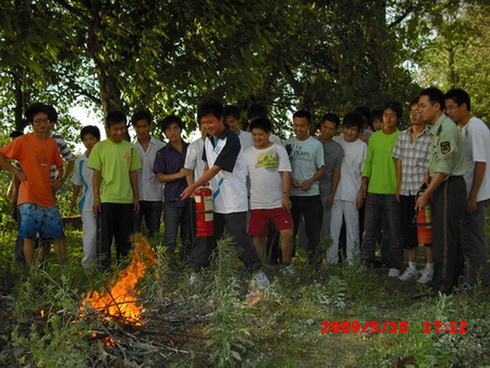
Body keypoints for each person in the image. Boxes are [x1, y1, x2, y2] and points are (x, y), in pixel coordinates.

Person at [181, 98, 269, 289]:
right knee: (206, 236)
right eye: (203, 123)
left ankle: (258, 273)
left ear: (221, 119)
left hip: (233, 199)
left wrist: (193, 186)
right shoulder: (208, 140)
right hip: (213, 199)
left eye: (210, 122)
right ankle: (196, 274)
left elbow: (217, 168)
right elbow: (207, 166)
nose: (207, 126)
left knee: (240, 239)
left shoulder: (232, 139)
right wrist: (202, 189)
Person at [0, 103, 66, 266]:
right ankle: (31, 272)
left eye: (45, 120)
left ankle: (64, 270)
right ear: (31, 123)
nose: (42, 124)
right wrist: (16, 172)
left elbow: (60, 164)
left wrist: (59, 178)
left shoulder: (51, 143)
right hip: (28, 195)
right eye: (38, 121)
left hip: (47, 196)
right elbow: (1, 155)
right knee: (28, 235)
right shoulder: (22, 141)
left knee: (58, 235)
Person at [415, 87, 466, 295]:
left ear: (436, 107)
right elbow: (438, 161)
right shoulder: (438, 127)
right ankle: (448, 282)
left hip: (448, 186)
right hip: (442, 184)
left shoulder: (446, 128)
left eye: (423, 106)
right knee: (445, 234)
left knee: (444, 238)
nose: (420, 111)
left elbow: (444, 168)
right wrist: (428, 172)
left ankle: (442, 287)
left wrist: (426, 194)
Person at [444, 88, 489, 287]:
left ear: (464, 106)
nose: (449, 112)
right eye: (446, 109)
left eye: (451, 107)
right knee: (467, 239)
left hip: (476, 196)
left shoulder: (476, 128)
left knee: (475, 240)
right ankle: (472, 279)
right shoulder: (465, 129)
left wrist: (473, 196)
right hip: (468, 193)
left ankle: (477, 283)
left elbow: (481, 163)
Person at [88, 111, 142, 269]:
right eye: (115, 129)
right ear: (108, 129)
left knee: (125, 241)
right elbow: (96, 175)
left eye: (122, 129)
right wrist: (96, 199)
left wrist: (136, 197)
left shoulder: (130, 148)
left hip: (126, 201)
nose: (119, 132)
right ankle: (103, 274)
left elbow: (133, 173)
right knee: (104, 240)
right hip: (106, 200)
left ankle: (124, 274)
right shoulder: (99, 147)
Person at [244, 118, 295, 273]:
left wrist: (286, 196)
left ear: (269, 134)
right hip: (257, 203)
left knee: (287, 233)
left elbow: (285, 173)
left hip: (278, 202)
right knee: (258, 237)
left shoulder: (278, 150)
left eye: (261, 134)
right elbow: (243, 178)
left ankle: (287, 264)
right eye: (254, 135)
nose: (257, 138)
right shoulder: (247, 154)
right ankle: (258, 268)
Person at [392, 99, 434, 283]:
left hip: (422, 191)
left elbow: (434, 164)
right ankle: (412, 268)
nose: (414, 114)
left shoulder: (432, 136)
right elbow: (399, 162)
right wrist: (398, 186)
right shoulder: (402, 135)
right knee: (407, 232)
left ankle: (430, 268)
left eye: (418, 111)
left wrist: (428, 191)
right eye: (412, 111)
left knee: (426, 231)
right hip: (405, 190)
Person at [360, 101, 403, 277]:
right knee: (369, 229)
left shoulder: (402, 137)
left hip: (393, 191)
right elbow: (368, 161)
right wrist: (364, 179)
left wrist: (400, 188)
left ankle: (394, 264)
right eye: (386, 115)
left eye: (392, 115)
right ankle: (366, 260)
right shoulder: (375, 137)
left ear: (398, 118)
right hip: (374, 190)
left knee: (393, 230)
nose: (388, 118)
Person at [284, 110, 325, 263]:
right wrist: (291, 179)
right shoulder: (287, 144)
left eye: (302, 126)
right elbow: (283, 169)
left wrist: (311, 181)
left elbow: (322, 168)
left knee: (313, 231)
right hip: (292, 195)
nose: (298, 129)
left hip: (312, 195)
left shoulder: (316, 144)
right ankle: (288, 262)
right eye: (295, 125)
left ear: (308, 126)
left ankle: (314, 262)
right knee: (289, 231)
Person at [329, 112, 367, 265]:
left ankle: (353, 263)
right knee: (333, 230)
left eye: (353, 130)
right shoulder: (335, 141)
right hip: (334, 194)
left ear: (359, 131)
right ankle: (330, 261)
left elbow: (365, 173)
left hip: (353, 194)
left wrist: (361, 195)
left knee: (353, 231)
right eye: (346, 128)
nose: (349, 132)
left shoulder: (362, 147)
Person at [153, 115, 192, 256]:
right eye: (169, 130)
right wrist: (178, 175)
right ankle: (166, 270)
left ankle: (187, 267)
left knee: (188, 238)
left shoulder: (191, 148)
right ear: (165, 133)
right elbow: (159, 177)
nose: (173, 132)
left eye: (175, 128)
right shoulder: (162, 153)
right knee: (169, 239)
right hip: (172, 200)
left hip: (190, 200)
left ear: (181, 129)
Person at [131, 110, 166, 238]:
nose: (142, 130)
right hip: (135, 198)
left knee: (154, 234)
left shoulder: (161, 147)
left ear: (150, 126)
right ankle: (136, 258)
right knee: (135, 235)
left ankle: (154, 258)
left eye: (144, 126)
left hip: (155, 197)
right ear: (134, 128)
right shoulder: (130, 148)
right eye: (138, 127)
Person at [70, 125, 101, 269]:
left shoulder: (105, 155)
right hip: (87, 202)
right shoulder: (81, 160)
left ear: (98, 139)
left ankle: (104, 264)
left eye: (91, 139)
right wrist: (73, 200)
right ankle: (88, 265)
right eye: (85, 140)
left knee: (106, 234)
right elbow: (77, 182)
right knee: (91, 233)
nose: (89, 142)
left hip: (106, 200)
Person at [316, 114, 344, 238]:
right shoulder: (311, 142)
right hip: (307, 191)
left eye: (331, 129)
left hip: (325, 192)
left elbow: (336, 173)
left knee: (324, 227)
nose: (327, 131)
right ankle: (304, 255)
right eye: (325, 127)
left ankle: (321, 255)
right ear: (321, 126)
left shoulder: (338, 149)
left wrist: (332, 195)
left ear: (336, 130)